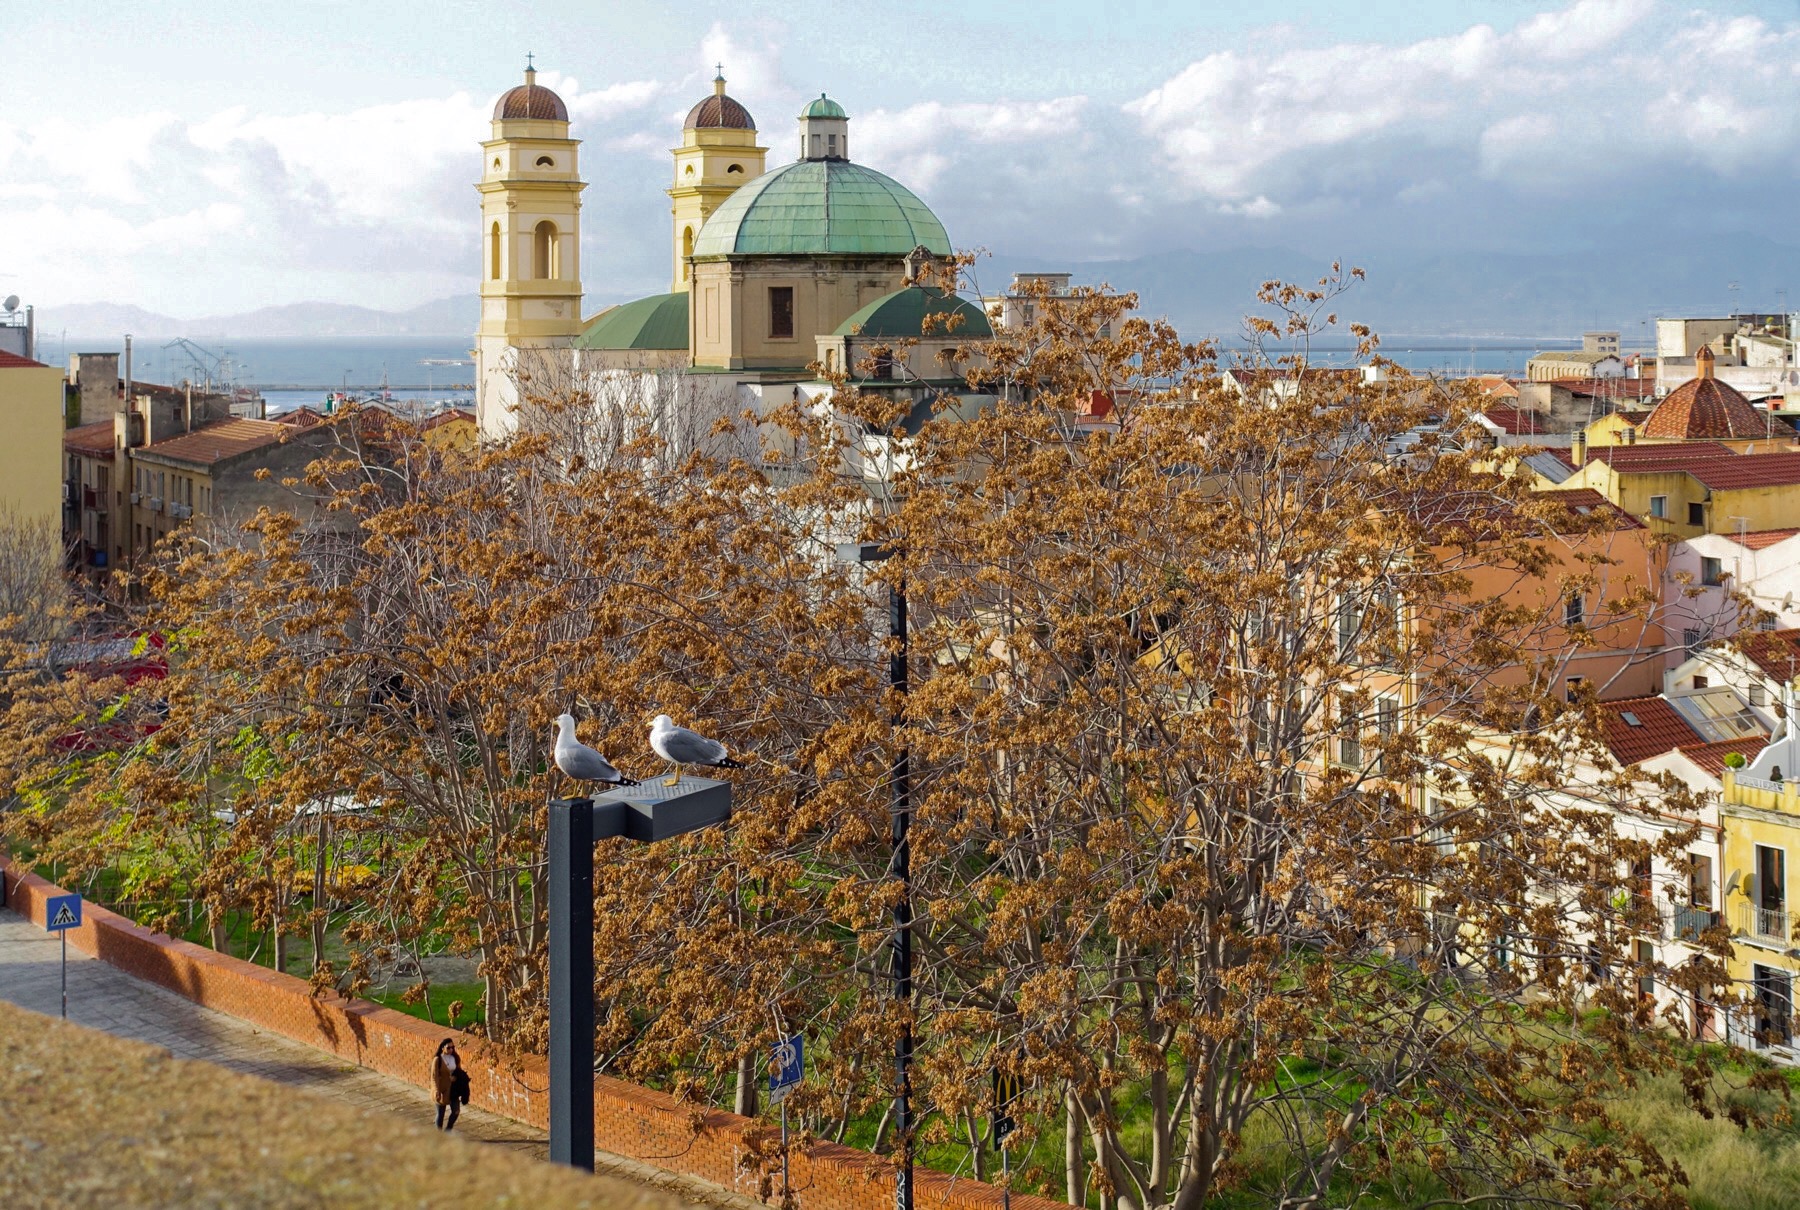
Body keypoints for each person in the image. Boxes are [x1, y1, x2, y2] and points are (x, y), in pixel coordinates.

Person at [432, 1039, 467, 1131]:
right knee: (440, 1114)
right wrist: (436, 1090)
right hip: (442, 1090)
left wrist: (456, 1077)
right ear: (443, 1047)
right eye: (448, 1048)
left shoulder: (455, 1058)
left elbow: (458, 1071)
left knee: (456, 1111)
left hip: (453, 1090)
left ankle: (448, 1130)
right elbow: (434, 1076)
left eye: (452, 1047)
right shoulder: (438, 1060)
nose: (451, 1050)